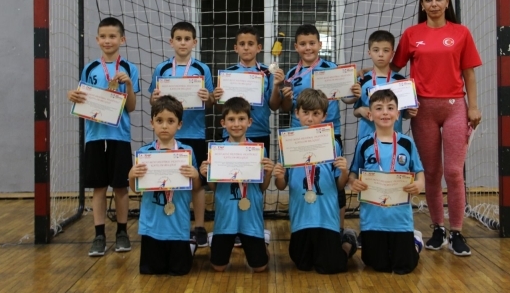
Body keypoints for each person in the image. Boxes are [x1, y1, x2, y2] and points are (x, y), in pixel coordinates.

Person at [392, 0, 482, 256]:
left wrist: (473, 107)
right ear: (422, 4)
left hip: (455, 108)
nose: (434, 4)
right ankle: (438, 228)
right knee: (431, 172)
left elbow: (469, 74)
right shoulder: (411, 34)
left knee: (454, 172)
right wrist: (366, 78)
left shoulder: (461, 33)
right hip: (423, 111)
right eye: (428, 0)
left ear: (447, 2)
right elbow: (393, 70)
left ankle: (457, 231)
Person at [66, 17, 140, 256]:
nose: (108, 41)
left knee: (120, 187)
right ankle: (99, 235)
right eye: (104, 37)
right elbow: (83, 99)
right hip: (95, 137)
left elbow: (131, 107)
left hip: (120, 136)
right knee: (98, 187)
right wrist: (74, 97)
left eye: (112, 36)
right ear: (97, 40)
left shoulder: (129, 69)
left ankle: (122, 232)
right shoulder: (90, 69)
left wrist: (129, 86)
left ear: (122, 39)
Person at [278, 24, 361, 234]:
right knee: (302, 181)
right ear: (296, 47)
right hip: (299, 137)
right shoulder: (291, 74)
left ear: (320, 44)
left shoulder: (332, 69)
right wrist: (286, 97)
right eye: (303, 44)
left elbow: (347, 99)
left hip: (330, 135)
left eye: (312, 43)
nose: (308, 48)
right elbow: (287, 108)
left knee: (333, 182)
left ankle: (338, 230)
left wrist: (354, 94)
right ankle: (303, 226)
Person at [273, 89, 357, 274]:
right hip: (301, 217)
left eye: (316, 113)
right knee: (301, 263)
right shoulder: (288, 143)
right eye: (305, 112)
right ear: (297, 113)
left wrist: (344, 171)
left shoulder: (332, 143)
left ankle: (347, 242)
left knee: (332, 266)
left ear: (324, 116)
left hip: (326, 217)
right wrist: (278, 176)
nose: (310, 118)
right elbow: (282, 185)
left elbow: (339, 185)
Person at [148, 21, 215, 248]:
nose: (183, 43)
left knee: (197, 183)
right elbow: (154, 101)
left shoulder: (202, 69)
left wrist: (208, 97)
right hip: (167, 136)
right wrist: (153, 98)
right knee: (170, 180)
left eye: (187, 39)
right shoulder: (162, 69)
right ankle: (174, 225)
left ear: (194, 42)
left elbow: (211, 101)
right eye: (179, 39)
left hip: (195, 133)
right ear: (171, 42)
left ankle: (199, 227)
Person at [348, 89, 425, 274]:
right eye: (379, 108)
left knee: (404, 266)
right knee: (375, 264)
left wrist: (419, 184)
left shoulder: (406, 143)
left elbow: (419, 172)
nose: (385, 112)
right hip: (372, 219)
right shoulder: (364, 143)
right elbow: (353, 173)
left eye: (390, 108)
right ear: (370, 114)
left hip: (400, 219)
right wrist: (353, 183)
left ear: (398, 114)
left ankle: (415, 242)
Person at [128, 95, 201, 275]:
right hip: (152, 227)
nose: (165, 126)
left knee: (179, 271)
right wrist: (131, 176)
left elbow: (196, 187)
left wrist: (195, 176)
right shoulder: (144, 153)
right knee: (153, 271)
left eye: (170, 121)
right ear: (151, 123)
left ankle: (189, 246)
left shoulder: (187, 152)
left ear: (179, 124)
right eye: (159, 121)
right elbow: (135, 189)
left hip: (178, 225)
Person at [199, 97, 274, 272]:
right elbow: (215, 189)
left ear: (249, 122)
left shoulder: (259, 150)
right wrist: (207, 175)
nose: (236, 124)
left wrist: (269, 172)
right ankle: (217, 242)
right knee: (218, 267)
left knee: (260, 268)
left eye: (241, 119)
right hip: (226, 216)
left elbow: (262, 188)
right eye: (231, 119)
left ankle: (262, 245)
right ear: (223, 123)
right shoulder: (216, 152)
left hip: (251, 216)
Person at [212, 26, 285, 157]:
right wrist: (216, 98)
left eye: (250, 44)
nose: (246, 48)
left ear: (259, 47)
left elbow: (274, 106)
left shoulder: (267, 73)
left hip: (259, 131)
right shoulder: (227, 74)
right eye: (242, 44)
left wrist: (276, 86)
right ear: (236, 48)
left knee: (259, 169)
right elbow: (222, 109)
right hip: (231, 132)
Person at [352, 30, 418, 140]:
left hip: (394, 139)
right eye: (376, 50)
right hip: (366, 138)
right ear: (369, 53)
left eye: (386, 50)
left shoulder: (402, 82)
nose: (381, 54)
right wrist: (360, 110)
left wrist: (410, 113)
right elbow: (356, 111)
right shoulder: (362, 80)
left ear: (392, 53)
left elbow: (404, 114)